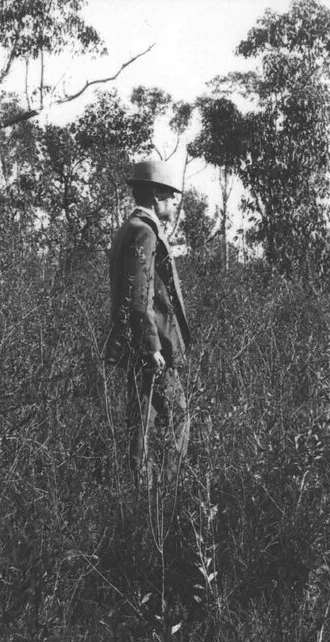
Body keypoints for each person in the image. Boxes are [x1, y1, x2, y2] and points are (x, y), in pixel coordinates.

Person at [104, 160, 192, 486]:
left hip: (139, 344)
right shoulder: (143, 232)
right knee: (176, 418)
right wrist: (153, 346)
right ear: (156, 196)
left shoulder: (130, 229)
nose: (172, 203)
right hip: (152, 348)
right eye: (169, 197)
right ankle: (167, 495)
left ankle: (142, 496)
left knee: (141, 422)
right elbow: (139, 295)